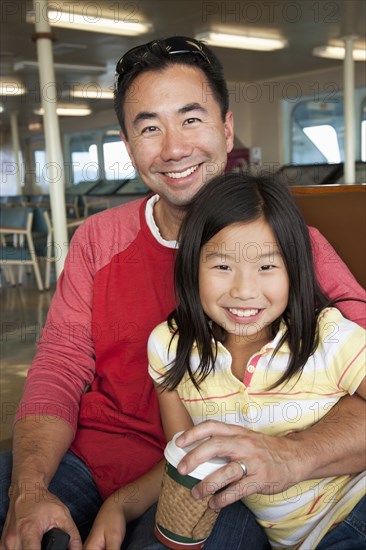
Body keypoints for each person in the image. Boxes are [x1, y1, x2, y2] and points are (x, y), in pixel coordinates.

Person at [0, 36, 365, 549]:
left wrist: (291, 456)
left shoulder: (290, 247)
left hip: (215, 478)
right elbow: (59, 366)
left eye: (191, 119)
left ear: (226, 127)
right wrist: (29, 488)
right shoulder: (96, 241)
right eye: (149, 128)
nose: (173, 148)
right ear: (129, 147)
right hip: (88, 459)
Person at [147, 172, 366, 549]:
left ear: (294, 270)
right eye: (221, 266)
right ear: (191, 268)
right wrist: (121, 505)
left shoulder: (328, 337)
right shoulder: (169, 348)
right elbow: (189, 461)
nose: (244, 291)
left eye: (267, 267)